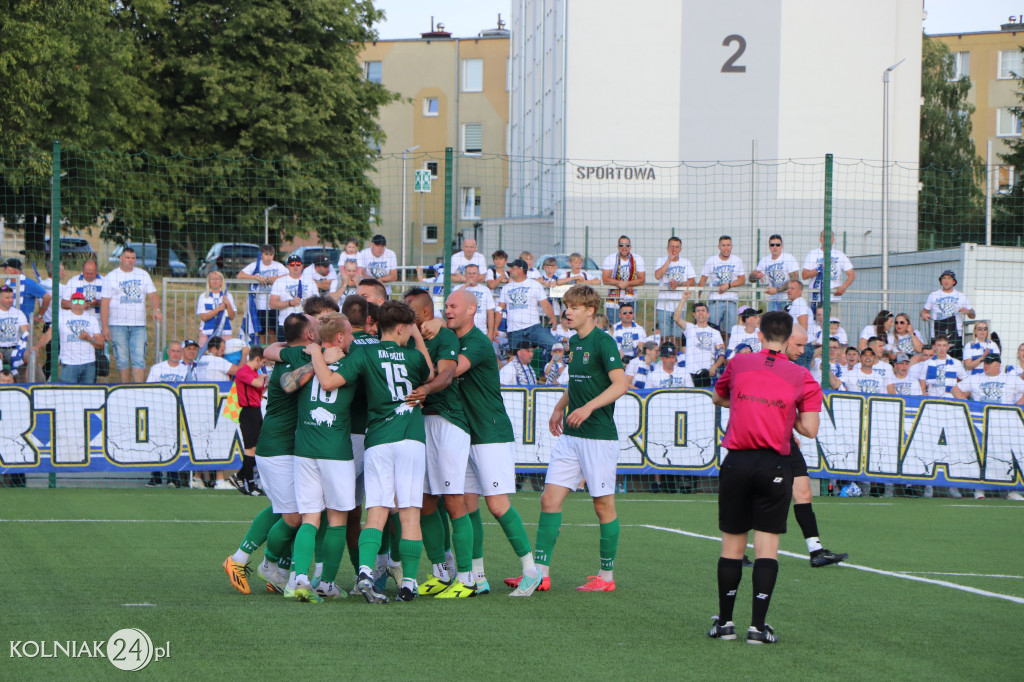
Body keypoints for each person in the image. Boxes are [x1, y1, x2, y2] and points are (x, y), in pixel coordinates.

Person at [308, 300, 433, 603]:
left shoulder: (364, 353)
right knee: (409, 512)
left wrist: (316, 354)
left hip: (377, 439)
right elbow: (429, 374)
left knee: (375, 510)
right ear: (402, 328)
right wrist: (418, 336)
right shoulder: (413, 356)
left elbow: (328, 381)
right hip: (411, 439)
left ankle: (365, 571)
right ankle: (410, 583)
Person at [708, 311, 822, 645]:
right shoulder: (802, 376)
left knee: (732, 544)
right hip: (775, 465)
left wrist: (748, 405)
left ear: (759, 334)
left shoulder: (740, 363)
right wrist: (785, 413)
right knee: (767, 547)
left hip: (738, 462)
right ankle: (758, 627)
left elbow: (718, 396)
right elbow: (810, 430)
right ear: (788, 340)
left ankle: (725, 623)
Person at [508, 284, 628, 594]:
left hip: (599, 438)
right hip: (571, 437)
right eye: (566, 306)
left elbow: (620, 385)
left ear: (590, 311)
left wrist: (587, 408)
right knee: (549, 499)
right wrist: (560, 408)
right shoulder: (573, 342)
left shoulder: (604, 343)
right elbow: (577, 382)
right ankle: (541, 573)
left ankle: (606, 576)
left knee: (602, 506)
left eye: (573, 307)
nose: (567, 312)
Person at [442, 288, 543, 596]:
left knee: (498, 505)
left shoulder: (477, 343)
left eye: (453, 305)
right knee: (467, 506)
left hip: (490, 433)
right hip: (465, 434)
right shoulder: (453, 341)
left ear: (472, 309)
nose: (447, 310)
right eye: (445, 305)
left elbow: (450, 372)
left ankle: (531, 570)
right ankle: (478, 576)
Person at [401, 289, 478, 598]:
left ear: (423, 313)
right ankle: (440, 572)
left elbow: (446, 376)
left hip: (447, 423)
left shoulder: (444, 338)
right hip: (420, 425)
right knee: (425, 502)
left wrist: (425, 390)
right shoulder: (405, 338)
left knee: (453, 501)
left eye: (408, 311)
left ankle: (468, 579)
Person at [281, 313, 356, 602]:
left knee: (310, 518)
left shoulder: (307, 359)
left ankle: (300, 578)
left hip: (305, 451)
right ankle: (326, 583)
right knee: (337, 520)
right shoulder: (352, 361)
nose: (351, 338)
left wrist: (316, 355)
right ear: (339, 337)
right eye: (348, 334)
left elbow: (287, 384)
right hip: (335, 452)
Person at [778, 325, 849, 566]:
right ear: (784, 341)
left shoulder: (795, 372)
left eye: (805, 345)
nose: (803, 350)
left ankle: (815, 550)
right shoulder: (770, 368)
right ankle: (740, 550)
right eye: (798, 345)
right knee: (762, 497)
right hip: (765, 441)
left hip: (786, 439)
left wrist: (790, 426)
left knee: (803, 492)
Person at [953, 354, 1024, 500]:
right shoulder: (976, 378)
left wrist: (1017, 406)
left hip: (1005, 425)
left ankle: (1011, 490)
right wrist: (968, 405)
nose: (986, 365)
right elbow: (955, 389)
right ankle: (979, 490)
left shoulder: (1010, 378)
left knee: (1007, 457)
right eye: (985, 362)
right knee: (981, 456)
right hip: (982, 424)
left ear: (998, 364)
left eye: (990, 362)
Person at [101, 247, 161, 383]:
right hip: (117, 325)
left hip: (138, 325)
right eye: (127, 257)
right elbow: (104, 303)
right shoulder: (111, 276)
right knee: (122, 359)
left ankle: (138, 387)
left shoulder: (143, 275)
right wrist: (105, 326)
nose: (130, 260)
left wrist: (156, 309)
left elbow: (153, 295)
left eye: (133, 258)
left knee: (139, 358)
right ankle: (125, 389)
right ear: (121, 258)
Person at [33, 291, 103, 384]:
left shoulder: (92, 319)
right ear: (70, 303)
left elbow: (101, 343)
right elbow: (48, 335)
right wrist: (37, 347)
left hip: (88, 363)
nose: (78, 303)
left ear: (85, 304)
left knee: (88, 395)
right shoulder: (61, 317)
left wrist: (89, 338)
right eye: (75, 301)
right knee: (67, 394)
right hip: (69, 363)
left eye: (81, 301)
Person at [499, 258, 556, 361]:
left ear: (520, 270)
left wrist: (553, 317)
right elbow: (499, 309)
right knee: (516, 360)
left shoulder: (535, 285)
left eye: (512, 268)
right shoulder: (506, 288)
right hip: (514, 330)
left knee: (554, 346)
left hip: (534, 327)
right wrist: (494, 328)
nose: (510, 270)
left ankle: (547, 372)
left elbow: (545, 304)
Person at [237, 245, 288, 345]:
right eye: (266, 254)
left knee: (273, 331)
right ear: (261, 255)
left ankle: (272, 354)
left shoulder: (278, 266)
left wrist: (275, 278)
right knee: (262, 332)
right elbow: (240, 275)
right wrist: (256, 278)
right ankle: (263, 353)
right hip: (260, 304)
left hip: (274, 303)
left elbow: (288, 275)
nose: (268, 257)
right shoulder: (255, 265)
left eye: (271, 254)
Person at [698, 235, 745, 338]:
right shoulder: (711, 260)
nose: (726, 248)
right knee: (713, 329)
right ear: (719, 247)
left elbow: (742, 279)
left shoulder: (737, 260)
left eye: (728, 245)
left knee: (730, 332)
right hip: (715, 300)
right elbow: (703, 280)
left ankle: (727, 351)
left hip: (731, 300)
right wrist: (697, 298)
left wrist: (728, 285)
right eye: (723, 245)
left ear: (732, 246)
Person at [921, 270, 974, 360]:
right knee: (937, 360)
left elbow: (973, 315)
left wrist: (968, 312)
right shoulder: (933, 295)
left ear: (954, 281)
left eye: (949, 278)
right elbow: (924, 311)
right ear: (941, 281)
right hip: (937, 333)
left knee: (955, 361)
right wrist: (924, 315)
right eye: (944, 278)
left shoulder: (961, 296)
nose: (946, 281)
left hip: (955, 334)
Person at [672, 297, 725, 388]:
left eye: (703, 310)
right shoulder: (690, 328)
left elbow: (722, 354)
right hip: (690, 373)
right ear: (694, 315)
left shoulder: (715, 333)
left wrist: (715, 367)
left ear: (708, 314)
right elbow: (676, 318)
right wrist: (684, 299)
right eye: (698, 311)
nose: (700, 312)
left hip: (707, 373)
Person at [653, 236, 696, 346]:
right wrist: (669, 260)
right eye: (672, 247)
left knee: (677, 336)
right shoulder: (661, 260)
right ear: (667, 248)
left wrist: (680, 283)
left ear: (680, 249)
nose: (674, 249)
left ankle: (675, 359)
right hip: (663, 305)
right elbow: (657, 275)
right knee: (664, 336)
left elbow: (692, 282)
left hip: (679, 305)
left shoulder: (686, 262)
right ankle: (663, 358)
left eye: (677, 247)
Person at [801, 230, 855, 313]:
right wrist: (820, 268)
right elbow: (804, 275)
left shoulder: (840, 255)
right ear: (820, 239)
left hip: (833, 298)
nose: (826, 239)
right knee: (814, 324)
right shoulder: (812, 254)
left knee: (833, 324)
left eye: (829, 237)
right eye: (824, 236)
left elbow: (851, 275)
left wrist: (843, 287)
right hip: (816, 298)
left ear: (833, 239)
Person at [269, 254, 316, 341]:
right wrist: (289, 303)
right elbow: (272, 304)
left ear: (302, 266)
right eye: (292, 264)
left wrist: (308, 303)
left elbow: (317, 304)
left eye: (298, 264)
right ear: (287, 266)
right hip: (285, 324)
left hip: (306, 324)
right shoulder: (280, 282)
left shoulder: (310, 282)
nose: (295, 267)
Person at [750, 235, 800, 313]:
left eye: (777, 245)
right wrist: (756, 276)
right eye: (772, 245)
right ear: (769, 246)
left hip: (787, 299)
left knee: (787, 323)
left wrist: (776, 290)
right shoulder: (765, 260)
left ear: (782, 246)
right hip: (773, 300)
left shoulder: (789, 258)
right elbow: (751, 278)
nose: (775, 247)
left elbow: (795, 279)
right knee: (771, 323)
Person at [601, 235, 646, 320]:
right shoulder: (610, 258)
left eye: (627, 245)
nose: (624, 247)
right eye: (621, 245)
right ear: (618, 246)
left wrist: (627, 284)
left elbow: (642, 280)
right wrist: (618, 283)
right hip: (613, 300)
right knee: (614, 328)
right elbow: (605, 279)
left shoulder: (637, 259)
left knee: (630, 328)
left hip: (631, 299)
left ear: (630, 247)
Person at [457, 264, 497, 340]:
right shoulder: (458, 288)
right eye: (469, 273)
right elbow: (455, 300)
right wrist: (466, 285)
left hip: (481, 331)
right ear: (465, 275)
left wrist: (490, 332)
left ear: (478, 275)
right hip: (463, 331)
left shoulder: (485, 290)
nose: (471, 276)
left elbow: (490, 313)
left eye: (474, 273)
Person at [196, 271, 236, 345]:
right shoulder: (203, 296)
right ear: (209, 282)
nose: (215, 281)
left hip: (225, 332)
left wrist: (228, 304)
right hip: (207, 332)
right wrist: (218, 309)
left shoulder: (228, 296)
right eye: (212, 279)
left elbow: (232, 316)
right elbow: (204, 317)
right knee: (204, 354)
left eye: (217, 279)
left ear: (221, 281)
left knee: (224, 354)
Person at [0, 285, 30, 380]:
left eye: (12, 297)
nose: (10, 300)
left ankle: (26, 385)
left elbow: (26, 333)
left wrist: (29, 347)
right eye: (7, 298)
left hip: (14, 349)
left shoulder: (18, 313)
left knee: (30, 356)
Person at [784, 280, 813, 369]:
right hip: (802, 346)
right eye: (788, 288)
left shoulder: (799, 304)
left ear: (800, 291)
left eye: (792, 288)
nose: (789, 291)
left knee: (800, 377)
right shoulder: (796, 304)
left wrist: (798, 346)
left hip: (801, 347)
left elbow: (804, 327)